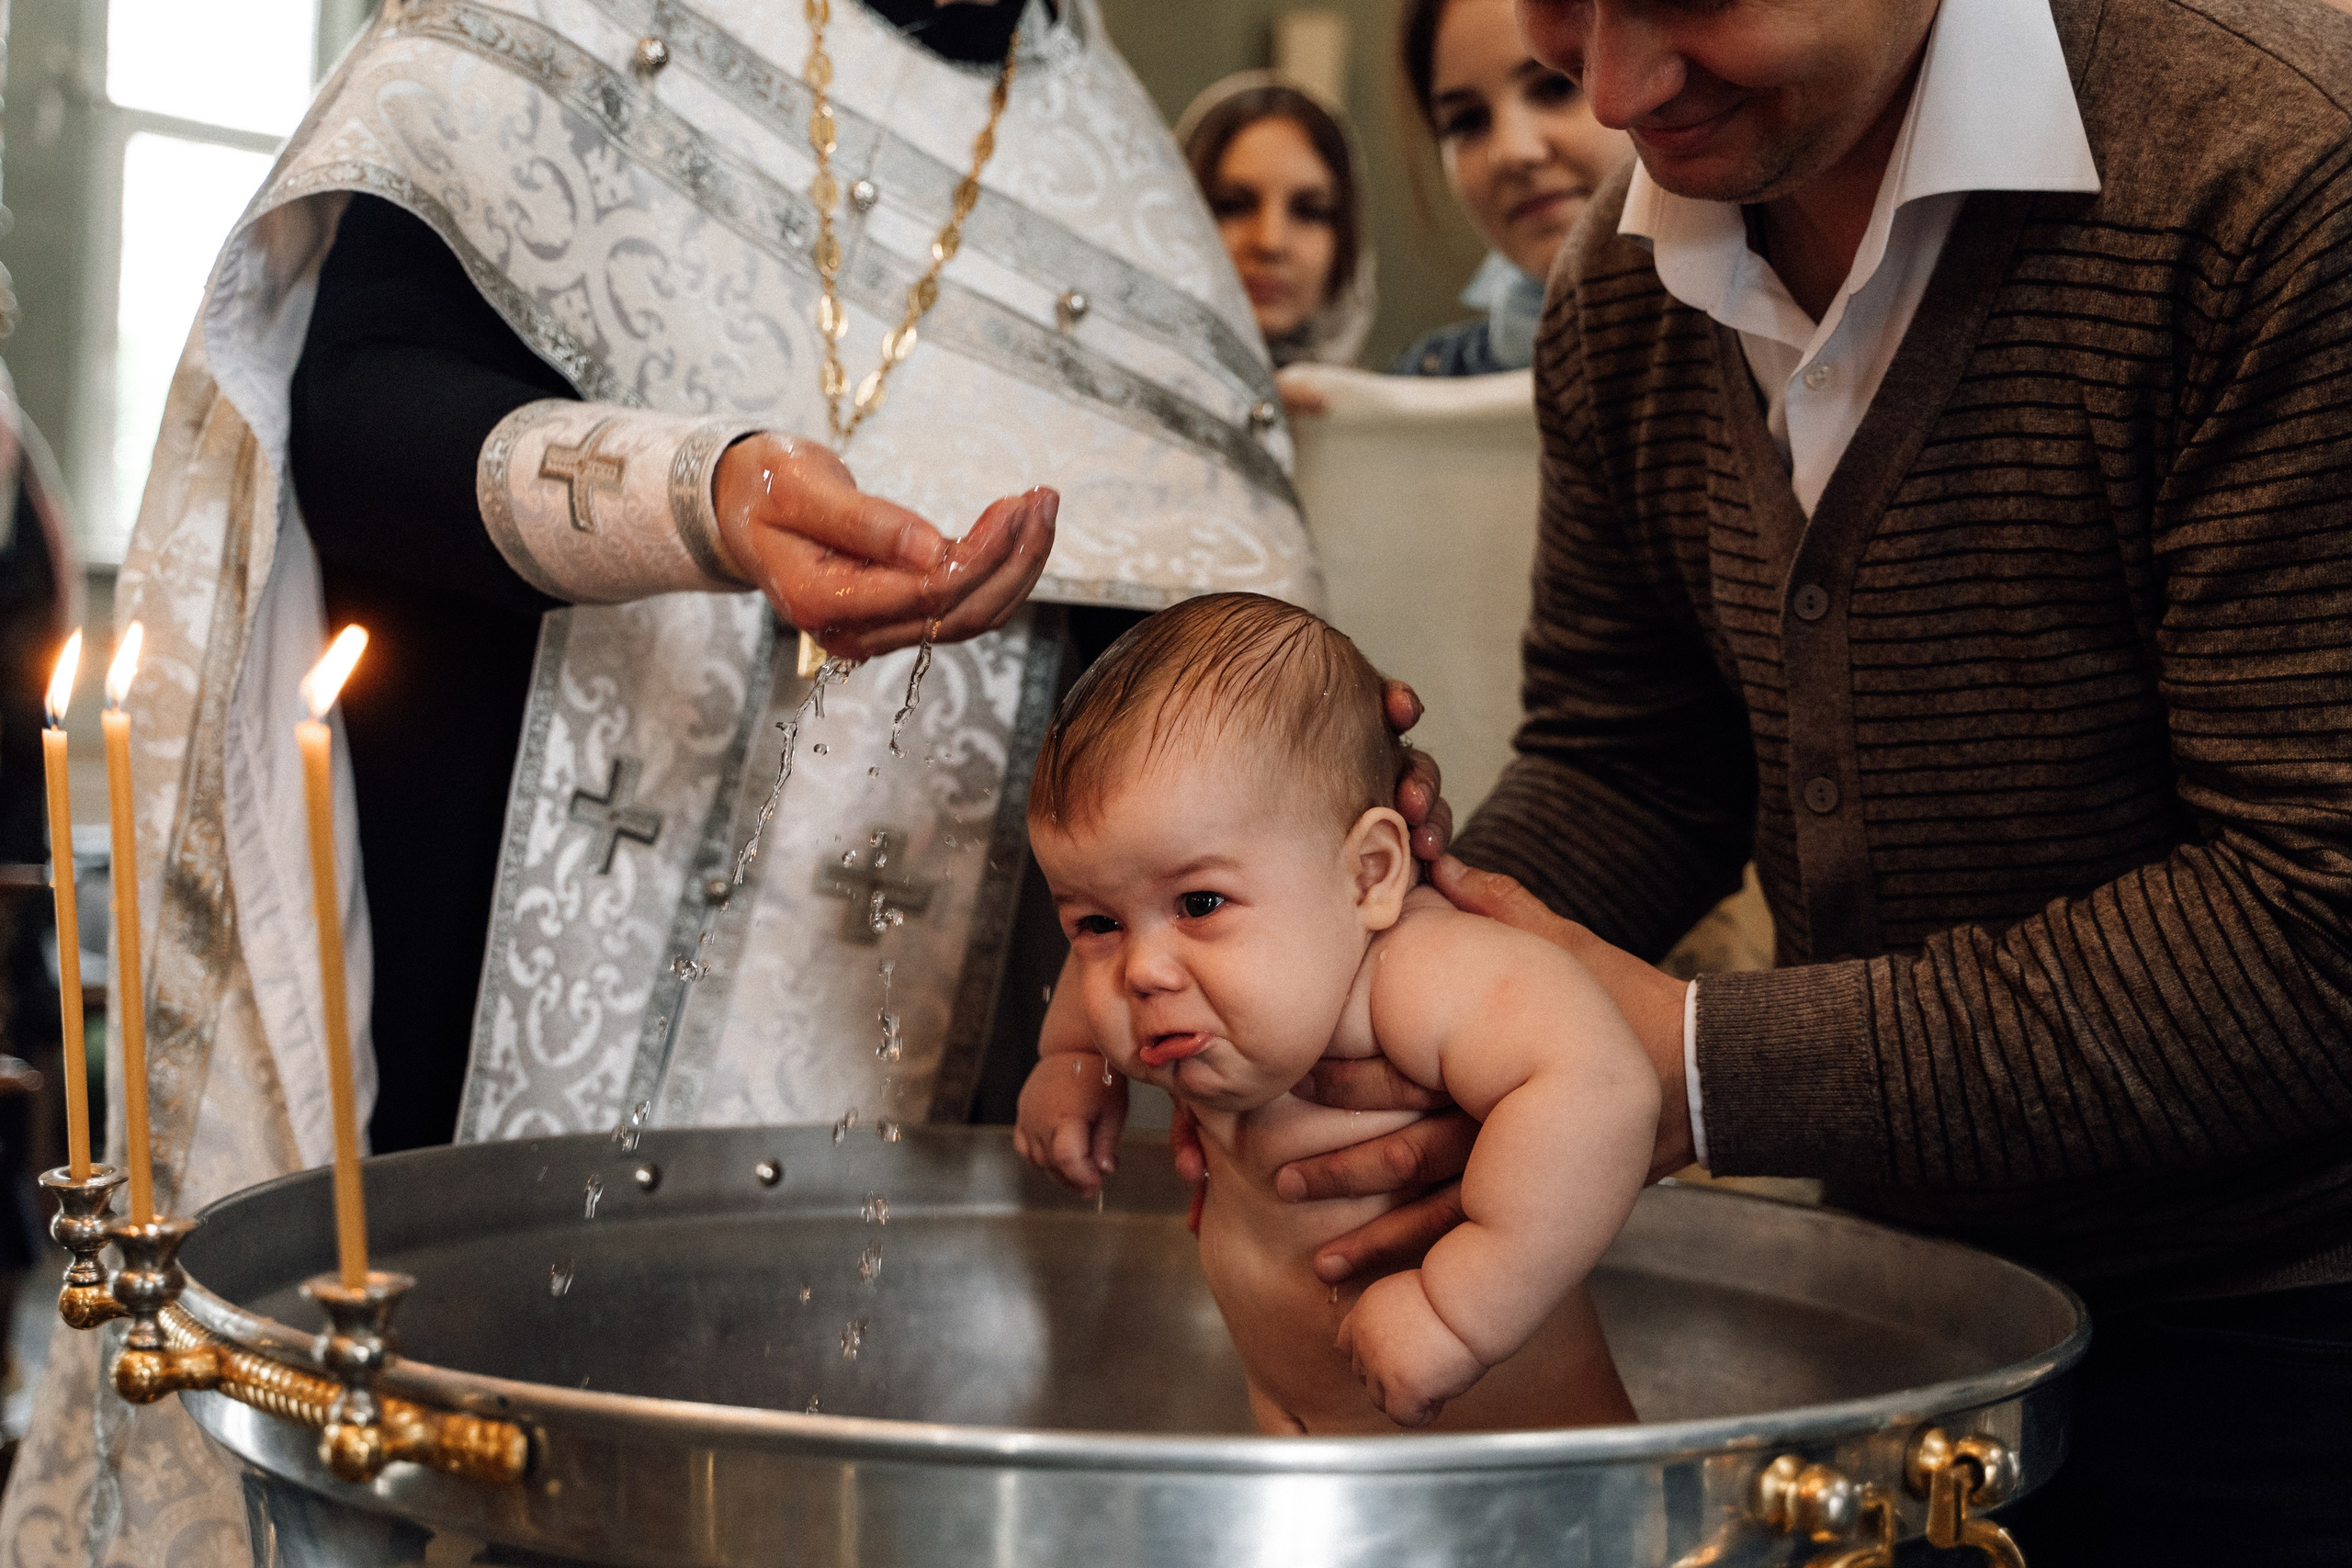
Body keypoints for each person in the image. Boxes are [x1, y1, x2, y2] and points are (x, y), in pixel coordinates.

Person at [0, 1, 1329, 1560]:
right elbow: (342, 411)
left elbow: (1191, 629)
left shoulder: (1118, 175)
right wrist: (700, 496)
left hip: (885, 1122)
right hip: (444, 1046)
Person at [1255, 0, 2352, 1559]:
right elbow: (1636, 755)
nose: (1614, 90)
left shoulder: (2281, 175)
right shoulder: (1628, 285)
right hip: (1920, 1298)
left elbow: (2315, 925)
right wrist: (1398, 972)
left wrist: (1697, 1066)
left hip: (2293, 1339)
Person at [1013, 594, 1649, 1435]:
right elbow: (1107, 953)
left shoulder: (1412, 974)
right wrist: (1071, 1060)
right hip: (1305, 1436)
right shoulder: (1185, 975)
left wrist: (1459, 1308)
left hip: (1516, 1479)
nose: (1142, 971)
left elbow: (1600, 1086)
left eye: (1200, 901)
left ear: (1370, 873)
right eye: (1097, 922)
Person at [1392, 0, 1628, 378]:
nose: (1510, 151)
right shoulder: (1423, 388)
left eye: (1555, 87)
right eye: (1467, 121)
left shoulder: (1751, 351)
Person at [1180, 75, 1377, 372]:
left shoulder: (1382, 414)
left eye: (1310, 212)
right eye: (1232, 207)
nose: (1270, 242)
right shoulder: (1105, 409)